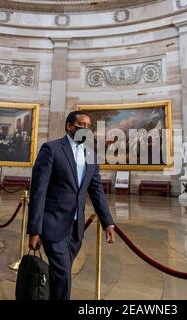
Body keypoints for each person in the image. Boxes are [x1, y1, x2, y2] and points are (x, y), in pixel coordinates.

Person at [27, 111, 116, 300]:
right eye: (81, 125)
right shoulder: (51, 149)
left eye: (88, 126)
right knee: (64, 276)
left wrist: (108, 222)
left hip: (76, 229)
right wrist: (34, 229)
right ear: (69, 126)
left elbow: (97, 191)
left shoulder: (91, 154)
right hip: (53, 224)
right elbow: (38, 191)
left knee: (59, 276)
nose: (86, 129)